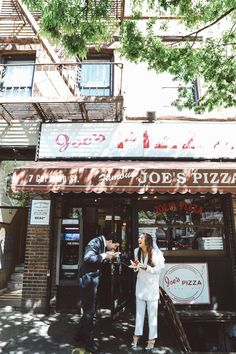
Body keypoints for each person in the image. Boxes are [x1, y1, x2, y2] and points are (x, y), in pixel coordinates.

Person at [74, 234, 119, 354]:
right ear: (109, 241)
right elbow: (88, 258)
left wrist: (108, 257)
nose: (114, 248)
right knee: (89, 312)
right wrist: (104, 255)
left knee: (89, 311)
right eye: (114, 245)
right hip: (87, 281)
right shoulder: (95, 242)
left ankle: (79, 336)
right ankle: (89, 344)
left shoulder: (102, 244)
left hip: (91, 281)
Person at [131, 233, 165, 352]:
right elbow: (137, 266)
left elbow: (159, 269)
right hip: (140, 286)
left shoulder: (156, 254)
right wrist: (135, 266)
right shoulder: (137, 251)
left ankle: (151, 340)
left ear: (147, 241)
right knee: (139, 314)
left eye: (141, 238)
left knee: (152, 316)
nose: (139, 239)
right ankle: (136, 337)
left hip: (151, 288)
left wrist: (146, 268)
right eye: (138, 237)